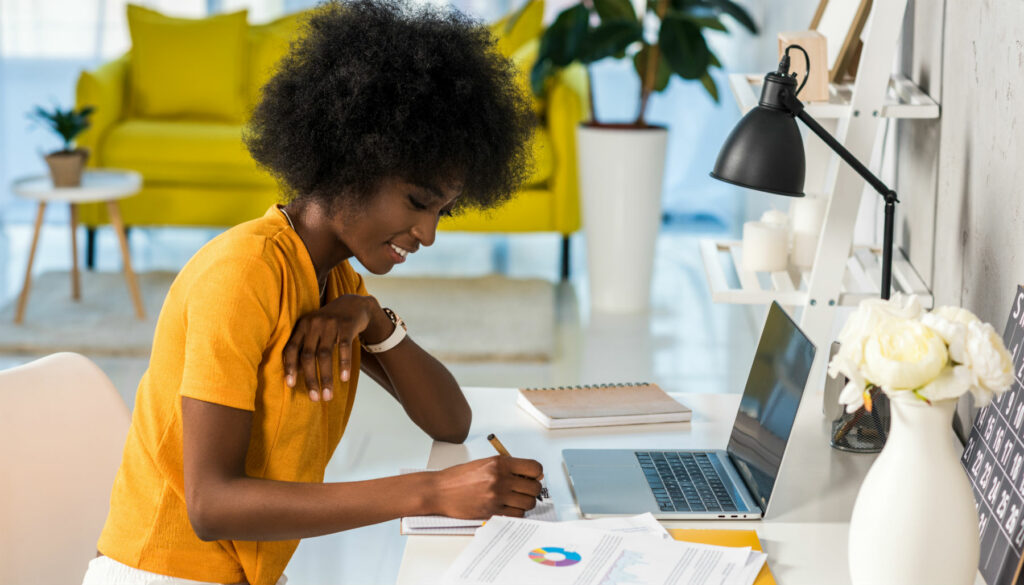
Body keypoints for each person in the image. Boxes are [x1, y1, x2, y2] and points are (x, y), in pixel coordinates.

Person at [82, 1, 541, 584]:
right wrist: (429, 492)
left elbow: (451, 422)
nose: (427, 233)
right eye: (417, 203)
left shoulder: (334, 280)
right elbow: (211, 505)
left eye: (442, 212)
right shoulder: (244, 272)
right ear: (352, 163)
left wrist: (373, 320)